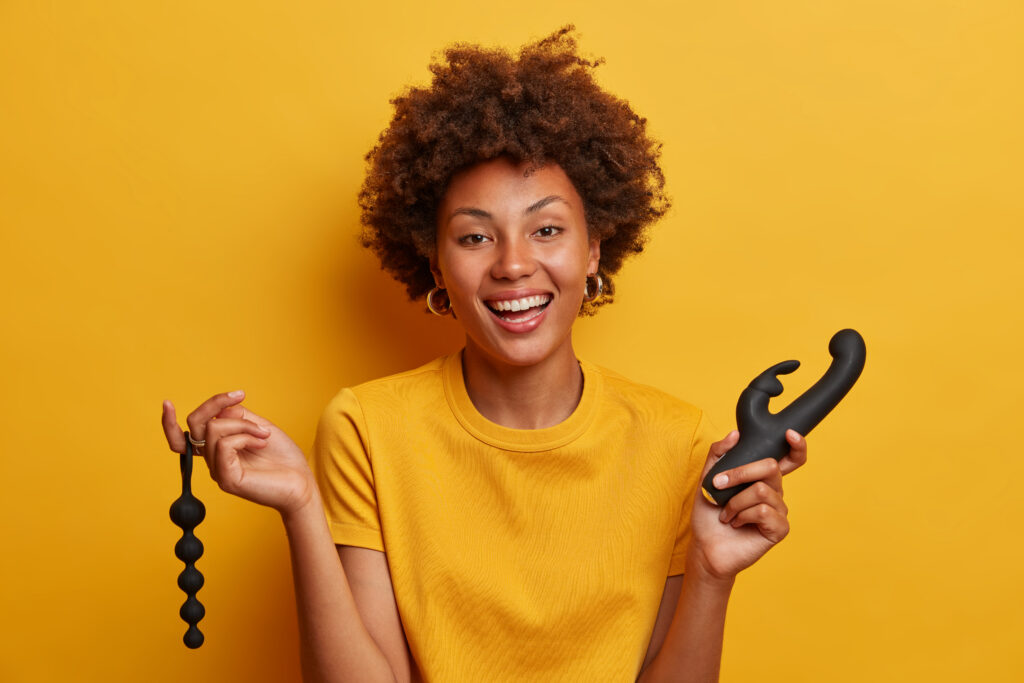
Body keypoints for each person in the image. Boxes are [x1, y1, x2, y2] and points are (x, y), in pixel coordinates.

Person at [161, 26, 808, 683]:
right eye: (475, 236)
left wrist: (709, 570)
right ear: (435, 265)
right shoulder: (366, 429)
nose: (514, 264)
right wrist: (301, 505)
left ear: (592, 251)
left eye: (547, 229)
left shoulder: (679, 444)